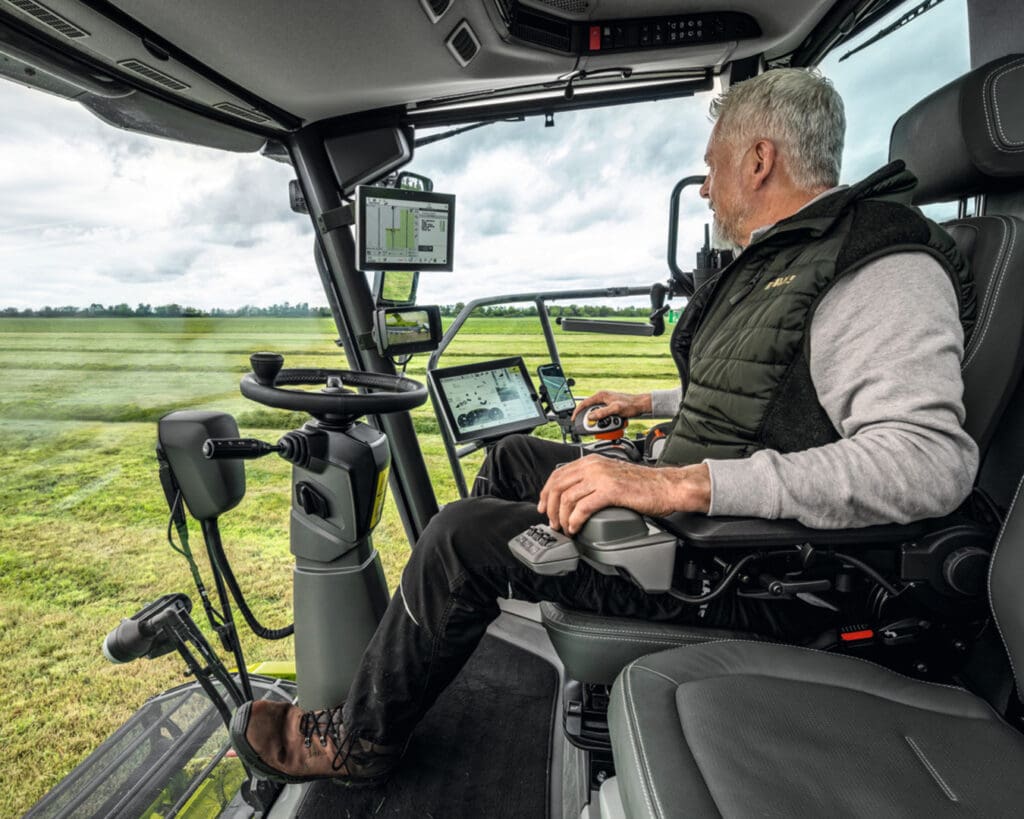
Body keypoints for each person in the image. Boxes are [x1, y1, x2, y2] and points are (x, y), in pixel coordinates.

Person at [229, 68, 978, 785]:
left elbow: (924, 460)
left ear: (759, 159)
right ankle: (474, 630)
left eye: (712, 167)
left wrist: (674, 484)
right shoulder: (790, 258)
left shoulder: (878, 265)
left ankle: (359, 743)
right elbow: (763, 402)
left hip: (748, 570)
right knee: (520, 455)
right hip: (712, 526)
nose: (708, 187)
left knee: (458, 533)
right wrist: (649, 406)